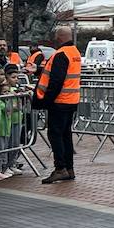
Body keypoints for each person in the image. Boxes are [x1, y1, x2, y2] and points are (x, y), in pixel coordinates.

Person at [34, 26, 82, 184]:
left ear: (60, 37)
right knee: (66, 135)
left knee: (55, 135)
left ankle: (60, 168)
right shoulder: (74, 52)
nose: (54, 39)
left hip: (60, 101)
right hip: (71, 100)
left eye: (55, 36)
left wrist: (45, 101)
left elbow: (56, 81)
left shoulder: (61, 54)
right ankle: (69, 168)